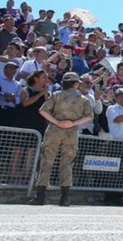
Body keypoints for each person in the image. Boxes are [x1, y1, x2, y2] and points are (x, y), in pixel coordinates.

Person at [29, 72, 93, 206]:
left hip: (54, 130)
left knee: (47, 161)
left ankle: (40, 196)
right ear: (76, 83)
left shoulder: (56, 95)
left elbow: (43, 110)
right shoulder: (83, 99)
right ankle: (65, 197)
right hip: (71, 132)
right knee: (67, 163)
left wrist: (57, 122)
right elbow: (89, 116)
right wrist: (73, 123)